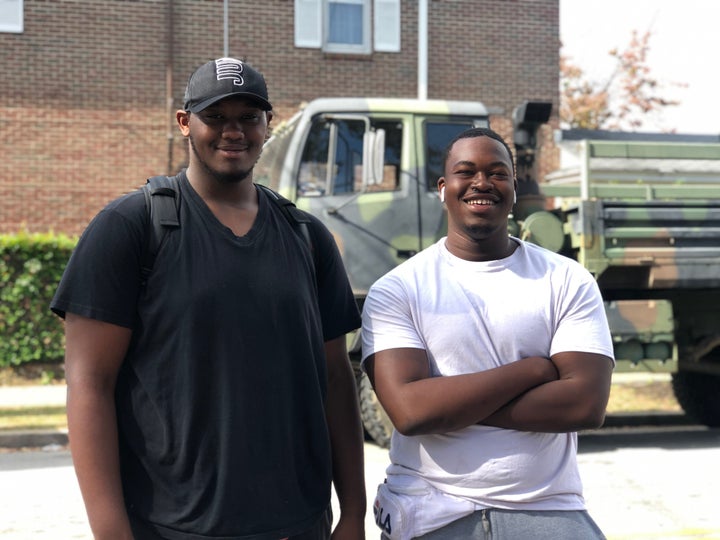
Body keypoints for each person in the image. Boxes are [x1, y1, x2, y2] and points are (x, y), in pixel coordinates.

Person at [51, 57, 366, 540]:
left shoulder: (307, 237)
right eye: (215, 116)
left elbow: (335, 380)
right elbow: (89, 383)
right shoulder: (131, 228)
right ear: (184, 123)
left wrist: (352, 513)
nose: (232, 131)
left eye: (248, 117)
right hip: (171, 526)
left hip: (299, 524)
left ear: (268, 125)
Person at [361, 127, 614, 539]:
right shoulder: (399, 288)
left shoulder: (567, 279)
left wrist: (445, 404)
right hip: (430, 508)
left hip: (545, 507)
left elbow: (585, 405)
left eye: (497, 173)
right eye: (466, 172)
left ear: (514, 188)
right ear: (443, 188)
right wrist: (532, 370)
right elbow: (409, 413)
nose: (482, 183)